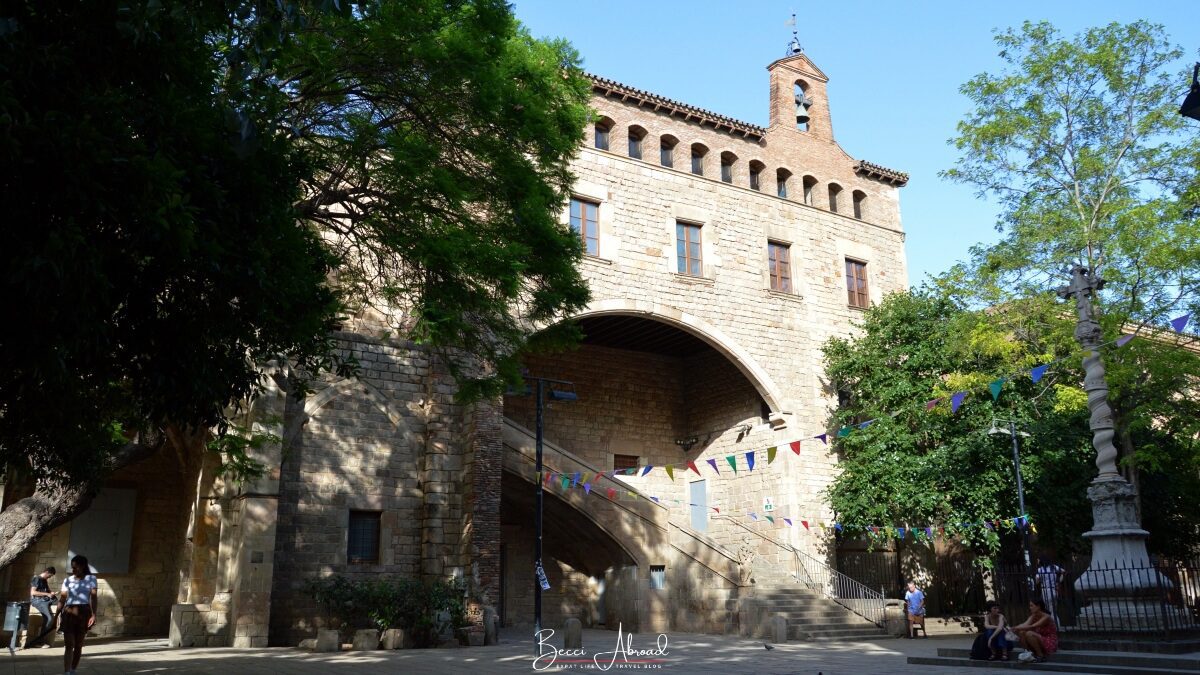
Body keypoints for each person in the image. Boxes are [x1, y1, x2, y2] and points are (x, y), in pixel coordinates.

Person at [59, 555, 98, 675]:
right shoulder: (67, 580)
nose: (73, 570)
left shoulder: (91, 579)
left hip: (84, 611)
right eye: (72, 568)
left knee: (79, 644)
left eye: (75, 568)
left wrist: (93, 615)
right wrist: (57, 616)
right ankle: (66, 672)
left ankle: (73, 670)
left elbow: (94, 598)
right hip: (69, 611)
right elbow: (62, 598)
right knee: (69, 644)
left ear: (83, 566)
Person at [1010, 598, 1058, 663]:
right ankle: (1028, 654)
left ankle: (1040, 656)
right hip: (1038, 638)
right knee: (1021, 632)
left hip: (1049, 640)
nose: (1030, 608)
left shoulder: (1046, 617)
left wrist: (1017, 628)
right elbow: (1025, 624)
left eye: (1031, 606)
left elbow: (1033, 626)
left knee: (1029, 633)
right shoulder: (1033, 615)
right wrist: (1013, 628)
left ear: (1038, 606)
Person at [24, 566, 57, 649]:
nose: (50, 577)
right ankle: (39, 642)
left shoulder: (44, 580)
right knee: (48, 618)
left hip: (45, 600)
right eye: (50, 575)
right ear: (46, 572)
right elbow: (33, 592)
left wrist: (51, 593)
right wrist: (47, 594)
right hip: (38, 601)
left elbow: (47, 591)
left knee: (61, 604)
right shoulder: (37, 579)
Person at [1036, 557, 1065, 623]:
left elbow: (1037, 581)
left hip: (1046, 590)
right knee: (1053, 609)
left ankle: (1053, 625)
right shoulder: (1054, 567)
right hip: (1054, 590)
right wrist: (1058, 581)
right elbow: (1063, 571)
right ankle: (1057, 625)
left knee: (1048, 609)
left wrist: (1041, 578)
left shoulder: (1040, 569)